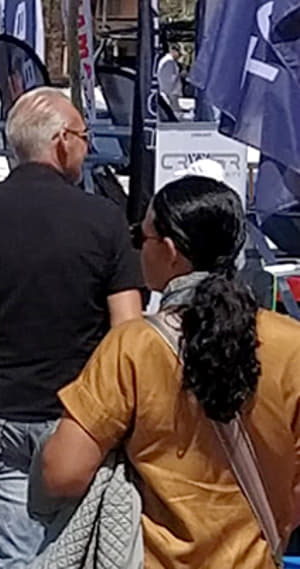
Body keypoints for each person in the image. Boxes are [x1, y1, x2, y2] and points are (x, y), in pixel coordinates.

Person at [0, 87, 145, 569]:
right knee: (76, 554)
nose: (88, 147)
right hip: (78, 417)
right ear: (62, 141)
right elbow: (127, 333)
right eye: (85, 137)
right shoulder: (104, 220)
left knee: (14, 559)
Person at [42, 176, 300, 569]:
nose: (136, 248)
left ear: (170, 250)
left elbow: (63, 473)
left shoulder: (133, 346)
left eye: (140, 237)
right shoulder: (291, 345)